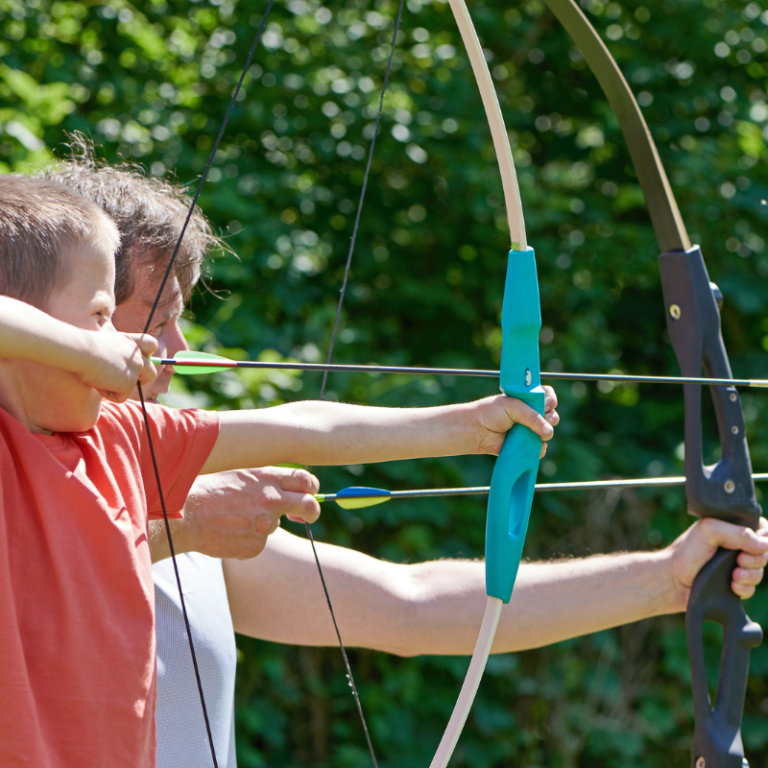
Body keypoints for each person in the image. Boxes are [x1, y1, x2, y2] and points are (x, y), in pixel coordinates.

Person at [46, 151, 768, 767]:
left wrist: (669, 578)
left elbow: (410, 606)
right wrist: (184, 528)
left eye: (180, 320)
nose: (177, 353)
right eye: (148, 321)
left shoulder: (189, 493)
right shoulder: (32, 488)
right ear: (66, 322)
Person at [1, 172, 551, 768]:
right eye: (101, 314)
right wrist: (85, 351)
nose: (140, 347)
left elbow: (303, 427)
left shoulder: (118, 437)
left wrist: (469, 426)